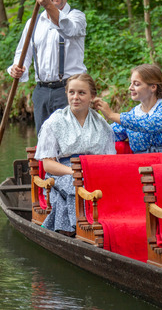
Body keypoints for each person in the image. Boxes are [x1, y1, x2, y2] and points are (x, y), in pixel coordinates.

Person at [8, 0, 87, 140]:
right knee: (45, 143)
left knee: (71, 142)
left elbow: (68, 29)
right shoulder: (33, 22)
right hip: (42, 92)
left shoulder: (77, 17)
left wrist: (48, 5)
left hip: (70, 91)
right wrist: (17, 68)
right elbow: (22, 54)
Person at [34, 73, 116, 236]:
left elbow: (109, 161)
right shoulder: (54, 122)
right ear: (66, 93)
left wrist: (91, 173)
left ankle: (107, 227)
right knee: (76, 185)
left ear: (92, 96)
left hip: (94, 172)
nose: (75, 97)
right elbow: (48, 164)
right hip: (62, 174)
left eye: (81, 93)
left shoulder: (101, 125)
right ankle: (79, 228)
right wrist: (74, 172)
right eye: (71, 92)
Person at [95, 64, 162, 154]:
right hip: (141, 162)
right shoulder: (133, 114)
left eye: (136, 84)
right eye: (131, 83)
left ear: (153, 87)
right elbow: (108, 134)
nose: (130, 88)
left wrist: (111, 115)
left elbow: (151, 124)